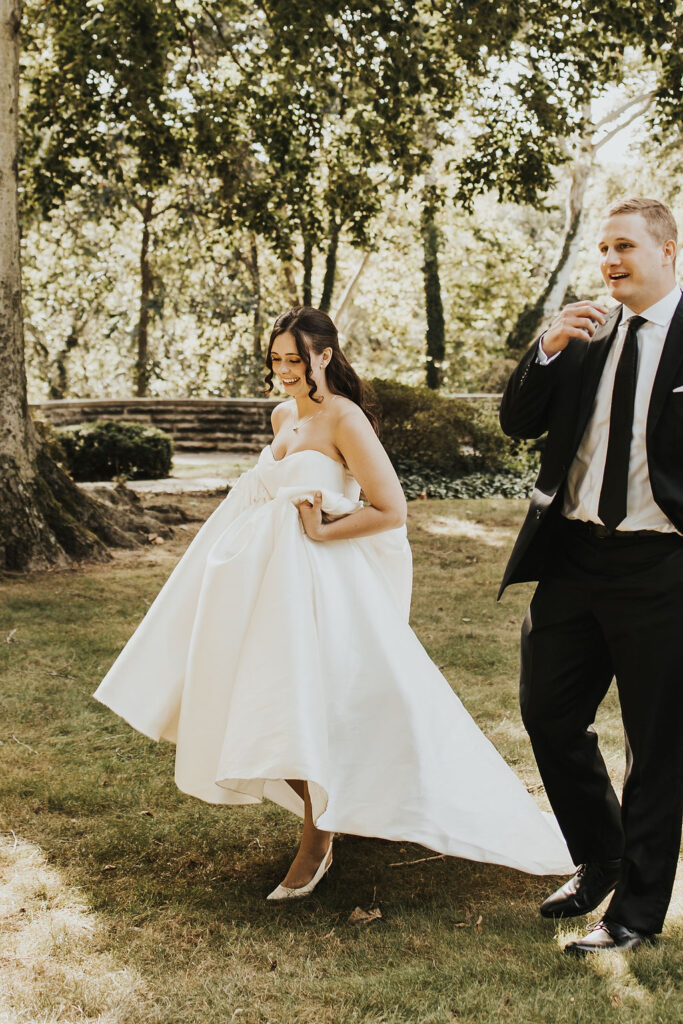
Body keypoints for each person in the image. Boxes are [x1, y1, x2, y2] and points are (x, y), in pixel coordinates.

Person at [95, 305, 572, 901]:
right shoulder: (281, 415)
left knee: (330, 703)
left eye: (295, 359)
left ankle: (317, 838)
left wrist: (321, 532)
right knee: (272, 700)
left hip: (323, 586)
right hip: (269, 584)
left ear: (324, 355)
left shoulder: (345, 419)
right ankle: (332, 809)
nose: (284, 371)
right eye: (275, 360)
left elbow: (390, 509)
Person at [499, 197, 683, 954]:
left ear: (668, 251)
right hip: (573, 559)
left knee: (655, 747)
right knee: (546, 714)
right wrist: (544, 348)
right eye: (603, 248)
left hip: (662, 568)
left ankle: (635, 916)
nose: (609, 261)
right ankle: (599, 853)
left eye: (624, 247)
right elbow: (518, 422)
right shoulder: (581, 334)